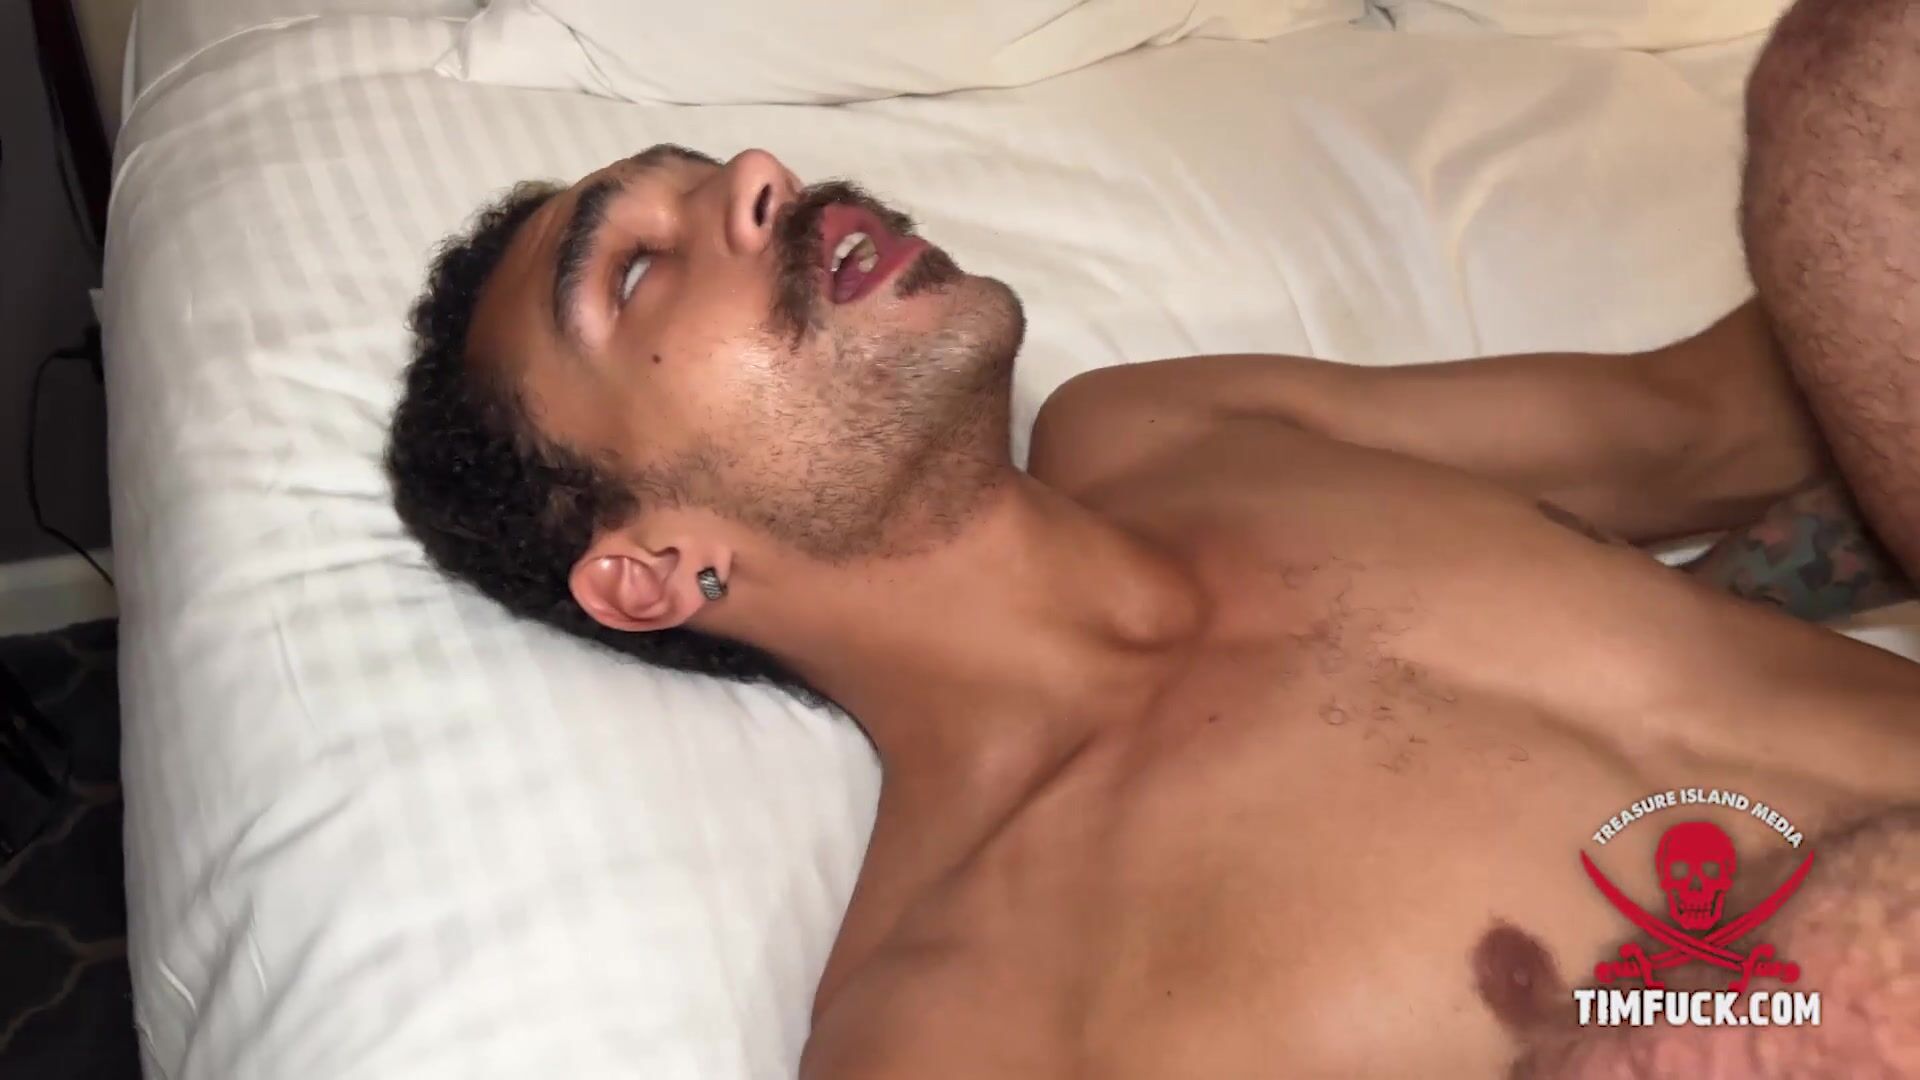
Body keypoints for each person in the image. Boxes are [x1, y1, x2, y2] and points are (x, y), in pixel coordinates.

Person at [384, 0, 1919, 1073]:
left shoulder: (1166, 430)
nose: (761, 179)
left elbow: (1709, 420)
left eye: (720, 171)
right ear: (653, 571)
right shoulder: (950, 1022)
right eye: (635, 273)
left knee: (1850, 96)